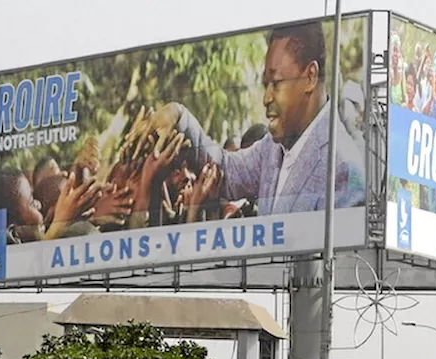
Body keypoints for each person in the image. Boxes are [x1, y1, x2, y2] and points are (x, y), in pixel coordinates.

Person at [148, 21, 366, 216]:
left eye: (277, 83)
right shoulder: (272, 149)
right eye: (265, 85)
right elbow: (225, 169)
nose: (266, 98)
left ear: (310, 77)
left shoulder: (344, 171)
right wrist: (178, 116)